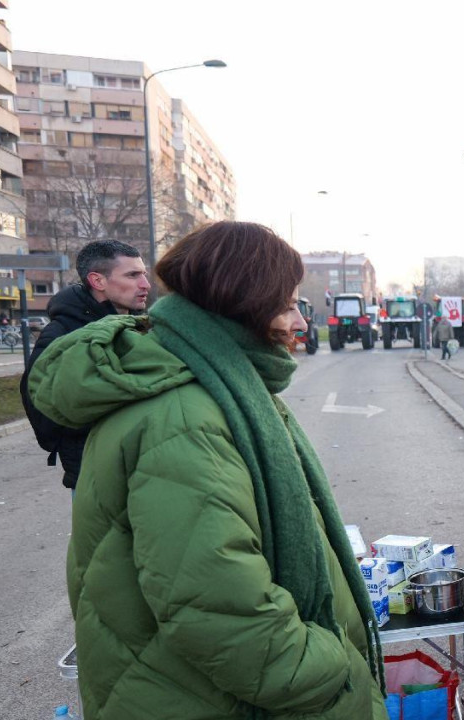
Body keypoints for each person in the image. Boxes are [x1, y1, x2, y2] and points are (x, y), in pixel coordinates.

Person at [28, 222, 386, 719]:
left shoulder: (215, 384)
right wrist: (336, 667)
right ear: (245, 306)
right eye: (287, 305)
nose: (301, 324)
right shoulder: (187, 416)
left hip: (191, 690)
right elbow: (218, 612)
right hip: (205, 698)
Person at [19, 239, 150, 489]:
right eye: (133, 275)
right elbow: (41, 405)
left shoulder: (140, 327)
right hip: (95, 478)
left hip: (143, 472)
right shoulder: (64, 335)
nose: (145, 284)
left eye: (143, 274)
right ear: (98, 281)